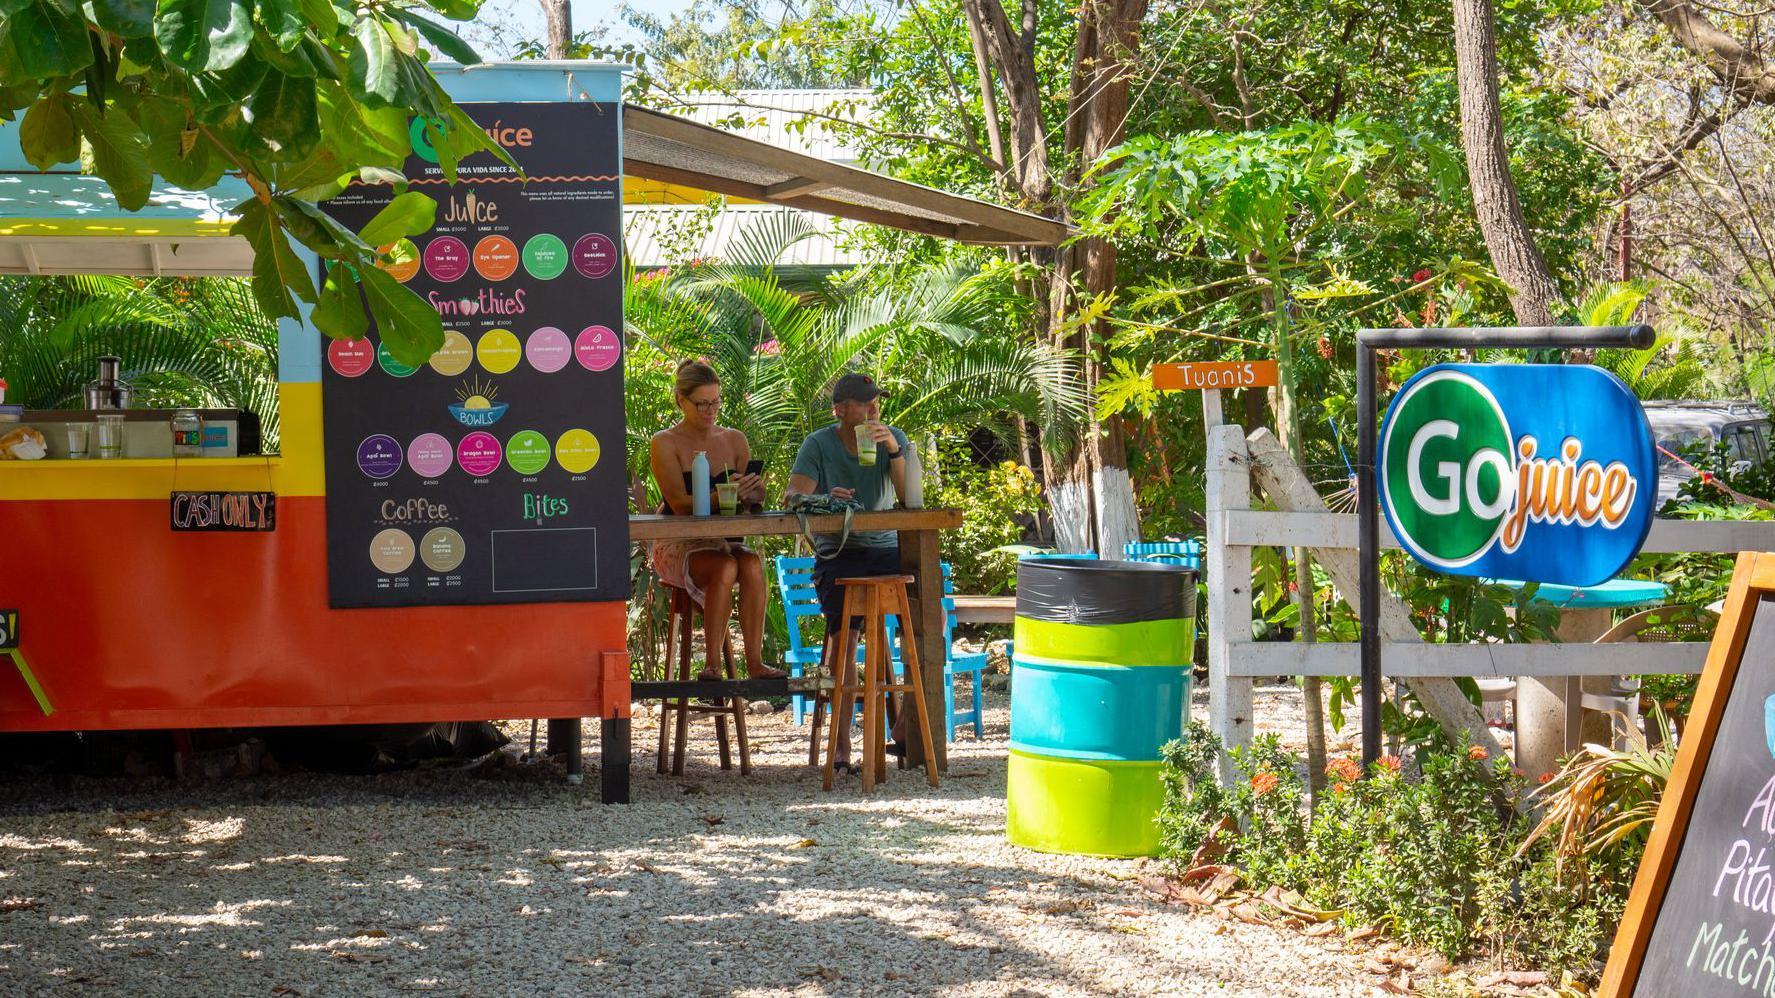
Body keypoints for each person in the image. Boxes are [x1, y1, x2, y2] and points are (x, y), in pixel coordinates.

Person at [784, 373, 911, 772]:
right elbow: (792, 497)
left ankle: (907, 728)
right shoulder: (819, 444)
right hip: (840, 554)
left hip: (888, 551)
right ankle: (839, 748)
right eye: (864, 403)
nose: (874, 409)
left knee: (930, 617)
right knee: (844, 636)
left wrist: (893, 449)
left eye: (876, 402)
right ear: (841, 410)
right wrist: (824, 499)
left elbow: (910, 499)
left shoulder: (895, 439)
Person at [649, 359, 785, 681]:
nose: (710, 410)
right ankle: (711, 665)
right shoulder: (664, 442)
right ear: (682, 401)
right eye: (702, 404)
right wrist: (725, 493)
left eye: (716, 402)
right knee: (724, 566)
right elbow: (679, 505)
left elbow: (749, 508)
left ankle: (755, 663)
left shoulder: (734, 440)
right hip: (679, 543)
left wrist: (753, 494)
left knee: (750, 563)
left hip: (725, 539)